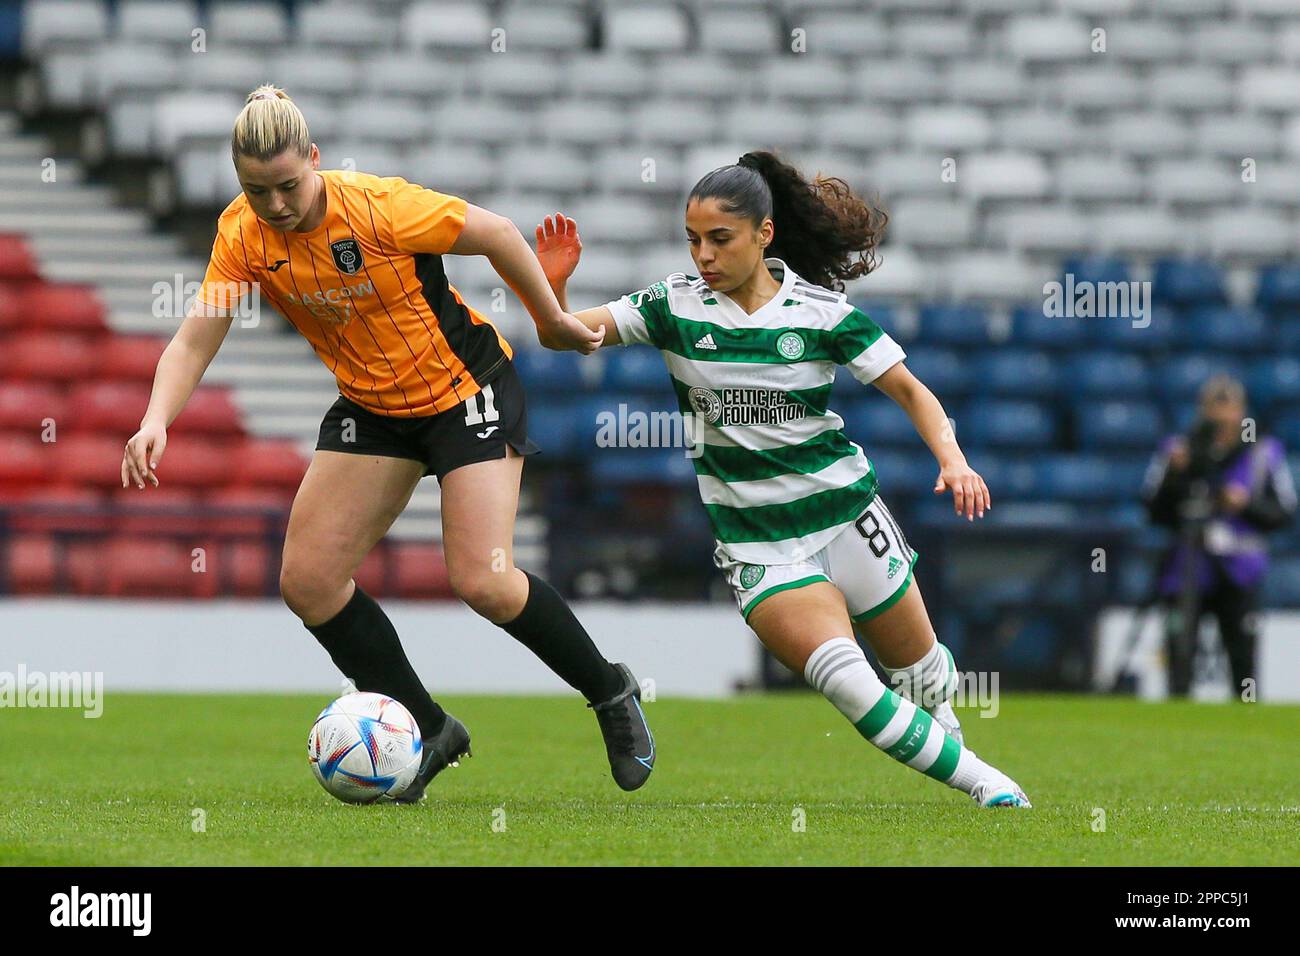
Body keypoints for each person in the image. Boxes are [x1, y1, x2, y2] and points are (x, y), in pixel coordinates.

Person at [119, 86, 654, 800]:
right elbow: (193, 341)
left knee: (484, 581)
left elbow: (494, 231)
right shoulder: (242, 233)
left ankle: (611, 692)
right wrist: (156, 419)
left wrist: (551, 318)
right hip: (374, 410)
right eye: (256, 189)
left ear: (313, 159)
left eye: (287, 185)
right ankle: (430, 729)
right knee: (307, 584)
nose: (275, 205)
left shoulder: (376, 206)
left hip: (467, 392)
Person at [534, 150, 1030, 808]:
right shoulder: (671, 307)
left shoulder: (822, 313)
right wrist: (551, 291)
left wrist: (953, 458)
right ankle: (990, 787)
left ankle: (948, 733)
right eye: (692, 240)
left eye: (719, 239)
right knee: (852, 685)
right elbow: (565, 336)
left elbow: (912, 392)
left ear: (763, 234)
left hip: (849, 516)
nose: (702, 255)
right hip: (759, 545)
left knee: (924, 675)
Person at [1142, 374, 1296, 698]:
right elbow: (1153, 511)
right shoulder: (1178, 450)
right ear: (1202, 411)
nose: (1222, 420)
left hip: (1240, 568)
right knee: (1180, 652)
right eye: (1215, 410)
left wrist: (1244, 504)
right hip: (1187, 565)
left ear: (1241, 413)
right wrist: (1175, 475)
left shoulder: (1263, 453)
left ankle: (1247, 722)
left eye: (1230, 411)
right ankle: (1177, 719)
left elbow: (1283, 513)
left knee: (1242, 657)